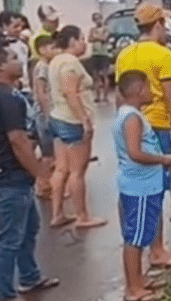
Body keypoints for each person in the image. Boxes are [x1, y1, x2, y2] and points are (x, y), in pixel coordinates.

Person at [0, 40, 59, 301]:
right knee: (9, 239)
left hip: (1, 175)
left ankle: (29, 277)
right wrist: (40, 173)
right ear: (1, 65)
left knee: (28, 228)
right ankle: (4, 293)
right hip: (9, 178)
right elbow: (18, 141)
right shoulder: (9, 98)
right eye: (13, 57)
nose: (19, 60)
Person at [115, 2, 171, 268]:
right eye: (164, 25)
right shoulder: (163, 53)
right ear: (158, 24)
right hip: (157, 125)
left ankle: (143, 245)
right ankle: (157, 250)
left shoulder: (124, 55)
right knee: (156, 187)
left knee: (136, 185)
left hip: (130, 123)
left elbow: (120, 94)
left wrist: (121, 127)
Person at [114, 70, 171, 301]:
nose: (152, 92)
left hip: (138, 184)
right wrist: (163, 159)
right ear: (139, 91)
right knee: (135, 239)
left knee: (138, 235)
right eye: (149, 88)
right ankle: (134, 290)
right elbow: (135, 153)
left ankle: (139, 280)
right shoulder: (132, 118)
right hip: (140, 187)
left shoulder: (127, 113)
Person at [48, 25, 106, 228]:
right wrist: (84, 120)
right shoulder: (70, 63)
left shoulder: (55, 61)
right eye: (82, 38)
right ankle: (82, 216)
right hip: (72, 121)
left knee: (61, 169)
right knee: (77, 171)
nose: (85, 42)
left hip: (57, 118)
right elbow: (70, 92)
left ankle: (57, 214)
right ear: (72, 41)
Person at [32, 35, 59, 199]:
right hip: (44, 114)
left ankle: (47, 184)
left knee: (49, 152)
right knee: (48, 153)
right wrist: (48, 114)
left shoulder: (47, 65)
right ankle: (44, 185)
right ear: (42, 50)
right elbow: (41, 92)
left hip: (45, 112)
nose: (55, 51)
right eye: (52, 47)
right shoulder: (42, 67)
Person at [0, 11, 30, 93]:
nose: (19, 29)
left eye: (21, 26)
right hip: (12, 89)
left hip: (26, 88)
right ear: (5, 26)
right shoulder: (1, 46)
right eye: (15, 26)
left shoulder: (23, 44)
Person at [88, 12, 111, 103]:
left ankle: (105, 97)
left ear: (101, 18)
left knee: (105, 76)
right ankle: (97, 96)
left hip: (104, 54)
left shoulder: (106, 29)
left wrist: (95, 37)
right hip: (95, 54)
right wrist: (98, 37)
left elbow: (105, 38)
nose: (98, 20)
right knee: (95, 76)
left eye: (99, 18)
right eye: (95, 19)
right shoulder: (92, 29)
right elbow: (89, 39)